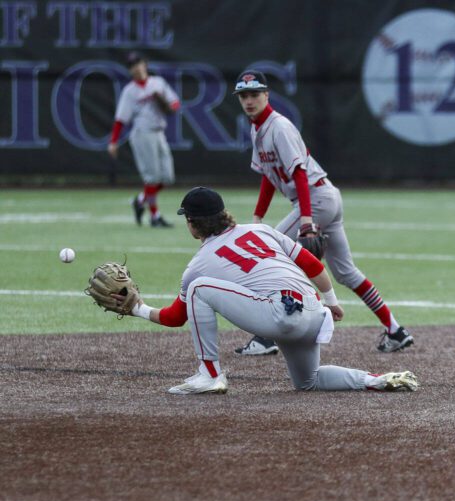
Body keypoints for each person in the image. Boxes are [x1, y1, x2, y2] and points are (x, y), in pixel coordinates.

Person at [115, 186, 419, 395]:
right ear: (223, 214)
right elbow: (312, 264)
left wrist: (136, 308)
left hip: (280, 315)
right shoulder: (260, 230)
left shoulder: (199, 263)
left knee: (198, 288)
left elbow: (175, 317)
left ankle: (209, 374)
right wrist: (332, 302)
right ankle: (375, 380)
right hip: (314, 312)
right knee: (308, 382)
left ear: (193, 224)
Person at [231, 69, 414, 356]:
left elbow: (299, 172)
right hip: (326, 197)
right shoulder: (258, 129)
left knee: (271, 254)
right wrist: (258, 216)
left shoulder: (278, 126)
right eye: (244, 95)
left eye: (255, 94)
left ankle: (266, 338)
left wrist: (305, 220)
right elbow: (268, 176)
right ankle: (395, 330)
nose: (249, 100)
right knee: (346, 272)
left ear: (267, 95)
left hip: (316, 198)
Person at [107, 52, 179, 228]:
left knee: (168, 177)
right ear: (130, 70)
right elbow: (120, 119)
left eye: (138, 63)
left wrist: (167, 105)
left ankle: (140, 201)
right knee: (152, 178)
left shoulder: (158, 83)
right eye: (132, 65)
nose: (137, 67)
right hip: (142, 134)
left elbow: (175, 103)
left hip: (159, 132)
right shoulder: (130, 91)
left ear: (145, 64)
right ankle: (155, 216)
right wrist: (113, 141)